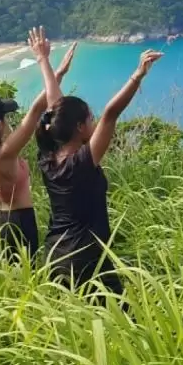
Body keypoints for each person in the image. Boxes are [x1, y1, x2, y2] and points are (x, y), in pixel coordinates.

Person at [34, 26, 163, 299]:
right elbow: (111, 113)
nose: (94, 122)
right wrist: (137, 75)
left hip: (57, 253)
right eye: (89, 119)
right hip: (85, 257)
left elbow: (56, 109)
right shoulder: (81, 161)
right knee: (118, 321)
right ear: (80, 127)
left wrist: (44, 61)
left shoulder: (48, 155)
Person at [0, 30, 76, 260]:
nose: (7, 119)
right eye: (4, 115)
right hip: (18, 225)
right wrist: (53, 70)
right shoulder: (5, 153)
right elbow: (36, 110)